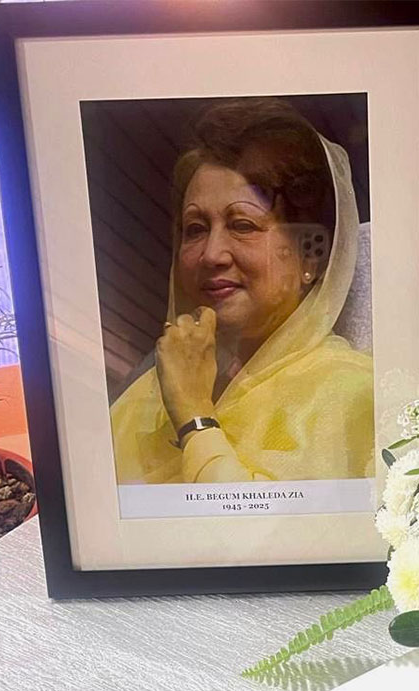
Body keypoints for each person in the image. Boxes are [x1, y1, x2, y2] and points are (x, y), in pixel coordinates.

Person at [109, 99, 374, 484]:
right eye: (196, 228)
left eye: (243, 225)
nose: (212, 254)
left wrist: (194, 417)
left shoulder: (352, 395)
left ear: (310, 256)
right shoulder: (148, 391)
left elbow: (255, 541)